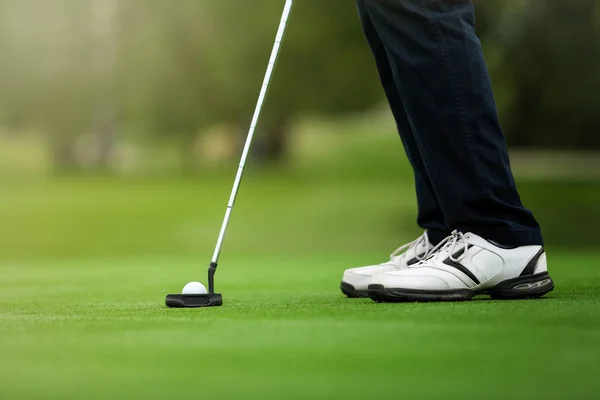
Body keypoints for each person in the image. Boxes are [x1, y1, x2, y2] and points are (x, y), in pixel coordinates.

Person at [341, 0, 554, 302]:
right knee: (385, 15)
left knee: (421, 8)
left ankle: (496, 234)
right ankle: (448, 234)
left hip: (498, 234)